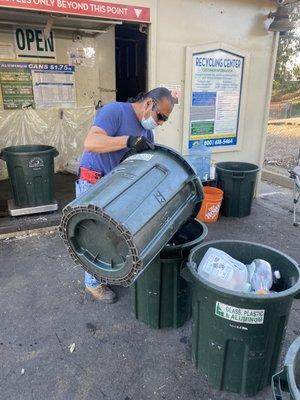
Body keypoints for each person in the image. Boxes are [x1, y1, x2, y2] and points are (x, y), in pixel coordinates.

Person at [77, 87, 175, 304]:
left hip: (116, 186)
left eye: (164, 121)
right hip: (93, 183)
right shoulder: (114, 111)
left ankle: (106, 270)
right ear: (149, 103)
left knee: (111, 235)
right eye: (160, 117)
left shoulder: (147, 132)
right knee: (94, 236)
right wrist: (128, 141)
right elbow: (91, 143)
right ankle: (93, 284)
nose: (159, 123)